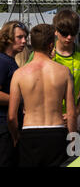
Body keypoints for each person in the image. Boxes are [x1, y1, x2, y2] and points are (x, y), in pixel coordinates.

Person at [8, 24, 76, 167]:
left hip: (29, 133)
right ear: (51, 45)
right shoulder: (64, 72)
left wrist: (16, 137)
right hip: (57, 132)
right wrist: (74, 144)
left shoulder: (19, 74)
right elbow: (71, 114)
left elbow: (12, 116)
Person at [30, 10, 80, 131]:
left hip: (69, 122)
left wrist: (76, 112)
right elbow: (27, 82)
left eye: (73, 33)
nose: (69, 37)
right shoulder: (41, 52)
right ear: (56, 31)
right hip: (43, 119)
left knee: (73, 150)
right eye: (65, 33)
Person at [0, 21, 28, 167]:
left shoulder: (10, 61)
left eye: (25, 37)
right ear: (7, 38)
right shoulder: (3, 61)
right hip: (4, 129)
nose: (24, 41)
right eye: (19, 37)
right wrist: (19, 99)